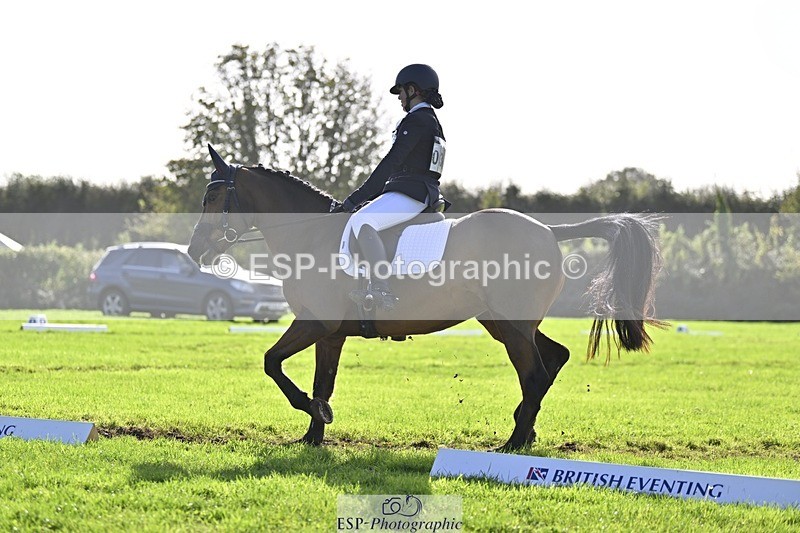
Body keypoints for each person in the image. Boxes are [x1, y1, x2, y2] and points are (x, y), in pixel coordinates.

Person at [332, 64, 447, 311]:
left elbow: (391, 162)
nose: (399, 98)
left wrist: (356, 198)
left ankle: (381, 287)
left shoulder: (417, 120)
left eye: (401, 92)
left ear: (413, 90)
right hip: (420, 190)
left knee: (363, 221)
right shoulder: (430, 121)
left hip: (411, 192)